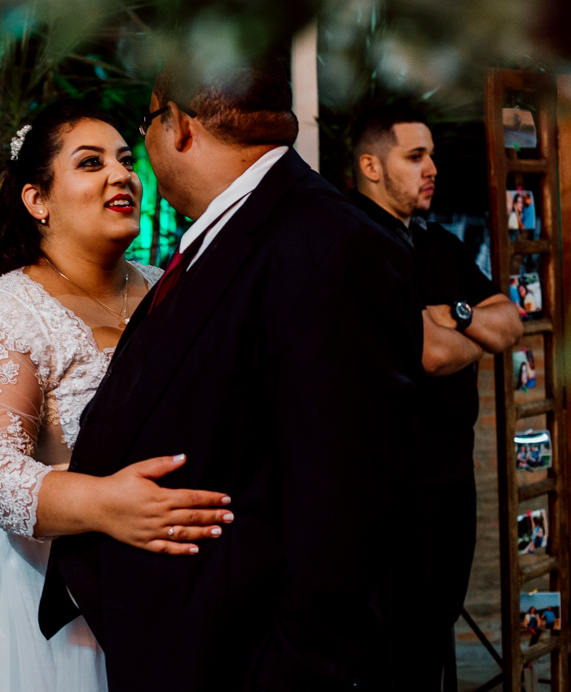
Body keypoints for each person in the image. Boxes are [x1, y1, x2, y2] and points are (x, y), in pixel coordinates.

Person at [40, 60, 426, 691]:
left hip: (247, 660)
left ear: (181, 128)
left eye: (146, 125)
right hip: (179, 641)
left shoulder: (333, 247)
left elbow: (345, 509)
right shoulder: (238, 231)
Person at [0, 100, 233, 692]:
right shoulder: (5, 313)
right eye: (90, 163)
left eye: (125, 160)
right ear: (38, 201)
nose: (122, 175)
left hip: (158, 579)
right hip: (33, 585)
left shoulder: (166, 288)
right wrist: (107, 505)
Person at [347, 104, 524, 691]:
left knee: (437, 623)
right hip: (393, 484)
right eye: (415, 156)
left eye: (432, 156)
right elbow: (431, 355)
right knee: (399, 644)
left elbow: (511, 324)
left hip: (451, 473)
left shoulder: (437, 243)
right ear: (371, 166)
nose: (433, 169)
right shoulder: (355, 242)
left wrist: (456, 313)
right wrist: (470, 333)